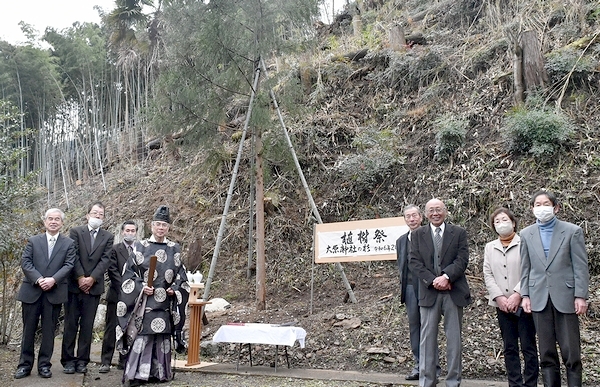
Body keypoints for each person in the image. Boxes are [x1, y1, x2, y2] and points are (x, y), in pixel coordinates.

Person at [520, 190, 589, 387]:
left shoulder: (572, 231)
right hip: (539, 296)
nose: (542, 208)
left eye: (546, 204)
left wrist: (581, 295)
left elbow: (580, 266)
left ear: (556, 207)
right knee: (547, 353)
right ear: (532, 209)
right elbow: (525, 267)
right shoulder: (526, 234)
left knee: (571, 352)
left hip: (566, 296)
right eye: (538, 205)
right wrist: (525, 294)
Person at [116, 205, 190, 386]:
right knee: (143, 337)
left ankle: (159, 373)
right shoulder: (141, 246)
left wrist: (175, 288)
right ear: (151, 226)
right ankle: (136, 375)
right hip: (145, 302)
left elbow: (182, 275)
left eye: (164, 225)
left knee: (162, 338)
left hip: (165, 301)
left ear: (168, 228)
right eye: (157, 224)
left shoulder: (175, 248)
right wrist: (141, 287)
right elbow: (129, 274)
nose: (161, 228)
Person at [409, 198, 471, 387]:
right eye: (431, 210)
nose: (435, 213)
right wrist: (433, 280)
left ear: (445, 211)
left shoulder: (458, 233)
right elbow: (414, 262)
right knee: (427, 339)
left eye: (438, 210)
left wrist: (446, 277)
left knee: (454, 339)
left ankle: (453, 381)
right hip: (429, 292)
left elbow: (462, 259)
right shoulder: (418, 234)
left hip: (453, 291)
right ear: (425, 214)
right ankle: (427, 380)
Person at [14, 208, 76, 379]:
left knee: (49, 331)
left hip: (54, 292)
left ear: (62, 223)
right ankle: (24, 365)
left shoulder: (68, 243)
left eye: (57, 219)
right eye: (50, 218)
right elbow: (25, 262)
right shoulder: (33, 241)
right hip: (32, 291)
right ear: (45, 221)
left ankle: (44, 365)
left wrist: (53, 280)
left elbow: (69, 265)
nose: (53, 221)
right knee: (29, 330)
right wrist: (39, 279)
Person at [483, 207, 538, 387]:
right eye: (497, 221)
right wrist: (498, 297)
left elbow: (530, 270)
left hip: (524, 303)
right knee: (509, 347)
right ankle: (514, 383)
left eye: (504, 220)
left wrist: (518, 294)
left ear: (513, 222)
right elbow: (488, 273)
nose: (501, 224)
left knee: (528, 347)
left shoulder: (525, 243)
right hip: (502, 304)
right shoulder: (490, 247)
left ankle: (530, 383)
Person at [62, 201, 114, 374]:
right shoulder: (76, 232)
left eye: (100, 214)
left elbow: (105, 260)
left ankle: (83, 360)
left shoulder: (108, 236)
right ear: (87, 215)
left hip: (94, 287)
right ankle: (68, 360)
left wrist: (91, 278)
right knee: (70, 324)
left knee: (87, 325)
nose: (97, 216)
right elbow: (73, 255)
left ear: (104, 217)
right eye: (94, 213)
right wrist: (80, 278)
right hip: (74, 286)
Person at [396, 205, 440, 381]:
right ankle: (418, 365)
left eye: (414, 215)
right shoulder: (401, 240)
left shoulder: (430, 236)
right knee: (415, 327)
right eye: (408, 216)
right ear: (405, 220)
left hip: (428, 286)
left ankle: (433, 368)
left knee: (429, 327)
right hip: (409, 289)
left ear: (421, 217)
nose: (412, 219)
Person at [100, 220, 138, 373]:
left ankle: (124, 360)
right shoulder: (115, 249)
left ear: (136, 232)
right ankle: (105, 361)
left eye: (133, 230)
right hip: (117, 294)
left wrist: (135, 289)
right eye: (127, 230)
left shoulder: (140, 250)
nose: (130, 233)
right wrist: (125, 288)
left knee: (129, 329)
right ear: (122, 232)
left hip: (135, 297)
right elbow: (112, 270)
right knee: (111, 329)